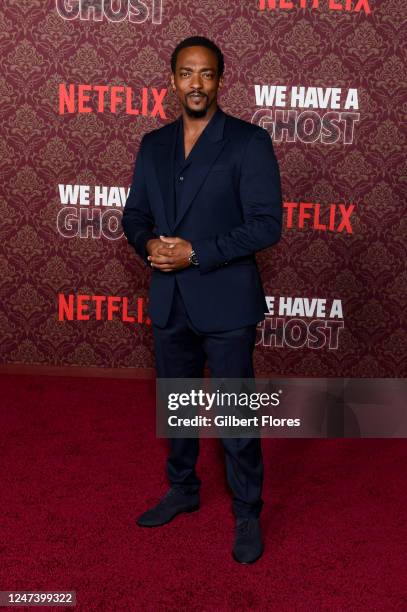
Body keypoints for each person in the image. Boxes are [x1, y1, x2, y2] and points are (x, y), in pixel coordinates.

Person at [121, 36, 282, 564]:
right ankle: (183, 490)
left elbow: (266, 226)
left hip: (227, 301)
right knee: (178, 407)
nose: (196, 83)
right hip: (169, 299)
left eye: (206, 74)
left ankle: (248, 511)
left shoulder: (248, 142)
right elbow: (135, 216)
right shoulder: (152, 145)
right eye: (186, 73)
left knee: (236, 415)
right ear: (172, 81)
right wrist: (149, 245)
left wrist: (195, 254)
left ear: (219, 80)